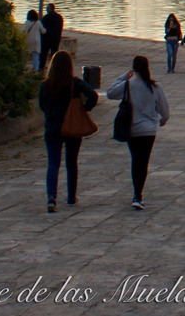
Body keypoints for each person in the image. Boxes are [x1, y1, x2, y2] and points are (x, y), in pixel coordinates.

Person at [106, 55, 170, 210]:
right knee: (144, 161)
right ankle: (138, 194)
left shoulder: (128, 85)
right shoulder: (155, 87)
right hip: (149, 130)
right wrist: (163, 120)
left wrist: (122, 77)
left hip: (133, 129)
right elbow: (164, 110)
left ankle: (136, 194)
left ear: (133, 69)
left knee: (136, 160)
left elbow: (110, 93)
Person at [36, 50, 97, 212]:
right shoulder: (75, 83)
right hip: (72, 126)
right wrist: (85, 109)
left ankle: (51, 197)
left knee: (53, 163)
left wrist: (50, 114)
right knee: (71, 163)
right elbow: (93, 95)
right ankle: (71, 196)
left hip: (52, 128)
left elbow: (41, 105)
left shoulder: (45, 85)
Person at [39, 3, 64, 71]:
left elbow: (42, 29)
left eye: (47, 8)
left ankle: (41, 68)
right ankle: (54, 69)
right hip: (56, 38)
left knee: (43, 54)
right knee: (54, 54)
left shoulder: (45, 18)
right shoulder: (59, 17)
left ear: (49, 9)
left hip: (46, 39)